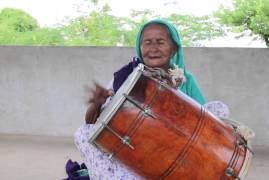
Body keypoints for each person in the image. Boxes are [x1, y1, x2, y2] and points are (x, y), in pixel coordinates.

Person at [74, 19, 230, 180]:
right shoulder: (127, 78)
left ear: (174, 48)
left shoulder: (185, 80)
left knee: (219, 108)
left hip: (176, 153)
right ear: (140, 48)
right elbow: (93, 124)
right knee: (83, 134)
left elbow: (205, 127)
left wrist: (172, 94)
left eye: (160, 42)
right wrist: (97, 104)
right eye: (147, 43)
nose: (153, 49)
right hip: (135, 152)